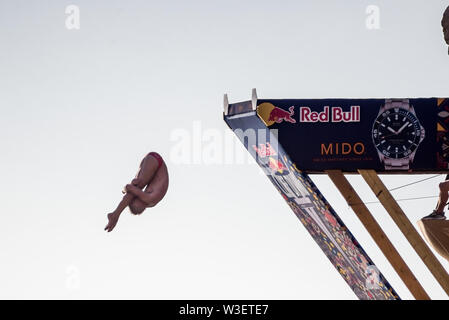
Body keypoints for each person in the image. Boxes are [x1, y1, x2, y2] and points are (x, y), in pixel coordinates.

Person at [105, 152, 169, 232]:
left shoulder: (149, 201)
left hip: (154, 163)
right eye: (138, 198)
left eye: (137, 198)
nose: (139, 196)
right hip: (155, 161)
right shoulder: (149, 199)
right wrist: (126, 189)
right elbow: (130, 189)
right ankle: (115, 215)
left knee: (136, 185)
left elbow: (131, 190)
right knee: (136, 186)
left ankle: (115, 214)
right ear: (144, 207)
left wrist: (128, 190)